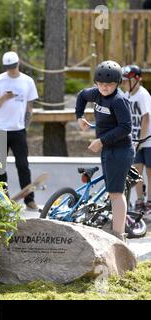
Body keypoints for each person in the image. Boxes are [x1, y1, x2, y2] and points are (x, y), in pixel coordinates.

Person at [76, 60, 134, 241]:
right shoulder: (97, 93)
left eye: (108, 85)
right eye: (100, 84)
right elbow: (81, 96)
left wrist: (101, 140)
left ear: (117, 83)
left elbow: (126, 127)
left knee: (116, 193)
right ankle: (114, 231)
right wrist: (79, 117)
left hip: (120, 150)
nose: (104, 88)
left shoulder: (119, 100)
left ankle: (118, 236)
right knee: (111, 190)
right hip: (107, 148)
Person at [0, 51, 39, 211]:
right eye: (8, 68)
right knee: (0, 167)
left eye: (13, 67)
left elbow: (29, 107)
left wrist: (25, 126)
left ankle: (29, 200)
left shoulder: (27, 81)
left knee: (23, 165)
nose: (11, 70)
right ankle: (3, 199)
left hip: (18, 130)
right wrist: (3, 98)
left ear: (18, 64)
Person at [121, 65, 151, 215]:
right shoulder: (127, 95)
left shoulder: (143, 94)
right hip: (135, 140)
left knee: (150, 172)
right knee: (136, 171)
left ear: (136, 79)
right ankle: (140, 201)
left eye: (128, 80)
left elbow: (146, 118)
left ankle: (150, 202)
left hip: (147, 140)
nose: (125, 83)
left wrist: (141, 140)